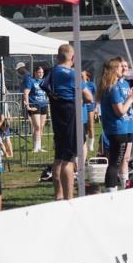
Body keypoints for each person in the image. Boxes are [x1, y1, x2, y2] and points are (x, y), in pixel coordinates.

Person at [42, 43, 91, 200]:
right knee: (68, 160)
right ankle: (69, 198)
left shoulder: (52, 71)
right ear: (73, 58)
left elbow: (45, 87)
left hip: (57, 115)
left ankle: (59, 195)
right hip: (70, 115)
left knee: (59, 157)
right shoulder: (73, 74)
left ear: (58, 57)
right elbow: (89, 97)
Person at [98, 57, 133, 192]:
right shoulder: (113, 88)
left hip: (123, 127)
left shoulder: (118, 85)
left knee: (120, 160)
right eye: (119, 66)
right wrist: (131, 98)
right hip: (117, 128)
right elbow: (120, 111)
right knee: (115, 163)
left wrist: (132, 99)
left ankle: (120, 187)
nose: (123, 69)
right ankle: (111, 191)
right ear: (112, 70)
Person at [22, 64, 49, 153]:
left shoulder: (44, 81)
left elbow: (47, 92)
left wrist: (47, 99)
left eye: (42, 72)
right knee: (36, 126)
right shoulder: (31, 81)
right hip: (34, 104)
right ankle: (35, 147)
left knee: (41, 127)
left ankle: (39, 146)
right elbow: (26, 93)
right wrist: (27, 105)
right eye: (39, 72)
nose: (41, 74)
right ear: (35, 72)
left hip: (43, 105)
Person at [82, 69, 97, 155]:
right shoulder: (79, 83)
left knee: (91, 126)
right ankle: (84, 143)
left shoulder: (91, 84)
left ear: (87, 76)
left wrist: (96, 108)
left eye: (83, 75)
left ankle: (91, 144)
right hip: (82, 107)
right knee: (84, 127)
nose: (81, 76)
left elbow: (95, 95)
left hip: (90, 107)